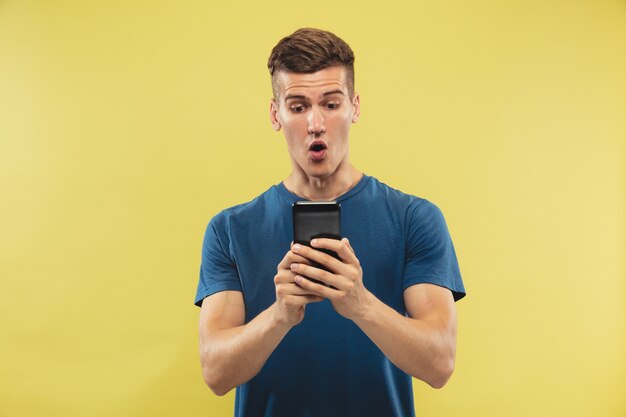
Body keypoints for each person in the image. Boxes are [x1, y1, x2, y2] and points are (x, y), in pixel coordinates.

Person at [195, 27, 466, 417]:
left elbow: (440, 363)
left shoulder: (415, 218)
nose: (316, 124)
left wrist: (360, 304)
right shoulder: (229, 229)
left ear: (355, 107)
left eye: (331, 104)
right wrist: (279, 316)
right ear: (276, 114)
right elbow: (215, 373)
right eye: (299, 106)